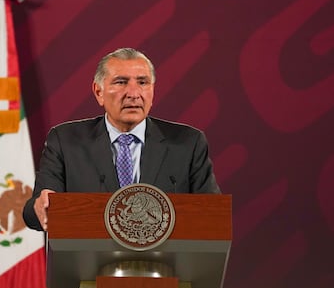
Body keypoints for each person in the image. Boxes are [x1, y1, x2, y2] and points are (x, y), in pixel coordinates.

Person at [23, 47, 220, 231]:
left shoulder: (188, 143)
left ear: (152, 91)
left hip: (164, 264)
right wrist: (41, 207)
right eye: (121, 82)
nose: (133, 94)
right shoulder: (65, 141)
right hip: (89, 264)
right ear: (98, 92)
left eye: (142, 82)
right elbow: (33, 212)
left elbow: (212, 215)